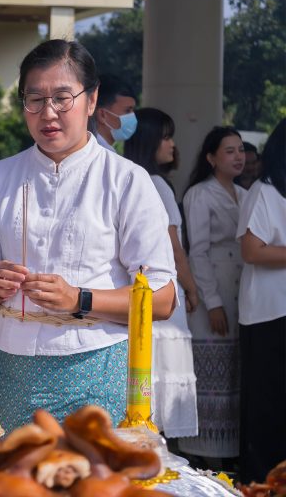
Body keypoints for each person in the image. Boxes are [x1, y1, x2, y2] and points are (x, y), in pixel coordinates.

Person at [0, 39, 176, 433]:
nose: (48, 113)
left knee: (94, 486)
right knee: (20, 487)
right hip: (15, 369)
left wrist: (79, 299)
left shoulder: (127, 180)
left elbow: (162, 299)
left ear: (91, 100)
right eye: (34, 99)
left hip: (98, 367)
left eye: (62, 97)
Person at [123, 107, 199, 439]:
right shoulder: (155, 184)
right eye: (166, 137)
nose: (172, 145)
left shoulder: (136, 179)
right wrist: (192, 288)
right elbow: (174, 247)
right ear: (150, 141)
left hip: (147, 294)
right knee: (161, 370)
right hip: (164, 290)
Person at [178, 126, 247, 465]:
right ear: (211, 157)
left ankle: (229, 452)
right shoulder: (200, 195)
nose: (238, 156)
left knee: (233, 372)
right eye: (229, 150)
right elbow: (198, 253)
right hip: (213, 288)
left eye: (241, 150)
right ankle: (203, 454)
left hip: (241, 288)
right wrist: (213, 302)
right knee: (210, 374)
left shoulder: (246, 194)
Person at [236, 118, 286, 484]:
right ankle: (260, 483)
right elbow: (252, 251)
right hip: (269, 313)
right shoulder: (264, 191)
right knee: (268, 405)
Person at [92, 74, 138, 153]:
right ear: (102, 115)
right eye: (127, 110)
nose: (133, 116)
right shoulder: (99, 155)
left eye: (133, 110)